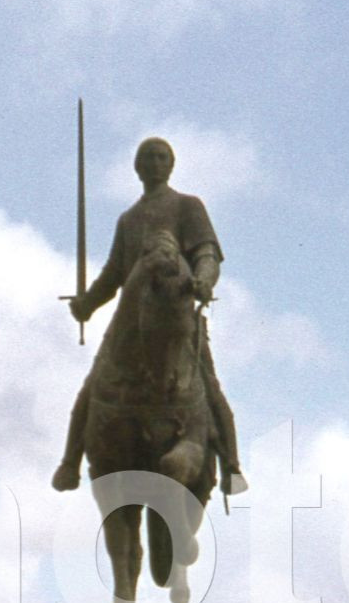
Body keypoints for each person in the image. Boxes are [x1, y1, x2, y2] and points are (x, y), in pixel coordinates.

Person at [54, 136, 246, 495]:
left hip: (175, 316)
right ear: (137, 167)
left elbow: (207, 252)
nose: (155, 163)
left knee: (210, 386)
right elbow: (114, 274)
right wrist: (88, 304)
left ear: (171, 165)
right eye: (148, 158)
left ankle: (231, 464)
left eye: (162, 157)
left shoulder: (188, 206)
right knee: (93, 384)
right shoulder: (128, 219)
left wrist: (204, 279)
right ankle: (70, 463)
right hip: (130, 324)